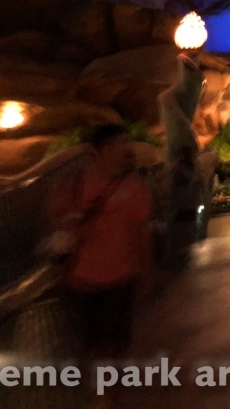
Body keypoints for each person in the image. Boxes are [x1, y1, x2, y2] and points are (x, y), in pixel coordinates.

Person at [50, 124, 154, 359]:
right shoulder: (76, 182)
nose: (128, 148)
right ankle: (99, 382)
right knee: (89, 350)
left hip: (119, 280)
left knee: (113, 349)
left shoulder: (134, 186)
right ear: (105, 148)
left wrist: (147, 275)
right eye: (123, 142)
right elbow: (56, 216)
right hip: (79, 281)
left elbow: (141, 233)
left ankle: (106, 384)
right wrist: (68, 221)